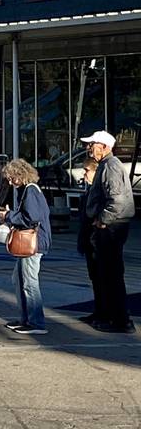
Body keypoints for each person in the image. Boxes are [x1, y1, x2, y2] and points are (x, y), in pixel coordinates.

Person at [81, 130, 135, 333]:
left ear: (104, 147)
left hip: (112, 226)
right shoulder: (106, 165)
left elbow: (118, 200)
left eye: (92, 144)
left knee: (111, 274)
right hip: (109, 225)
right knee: (103, 274)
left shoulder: (111, 166)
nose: (89, 148)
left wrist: (103, 220)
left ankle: (121, 321)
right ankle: (104, 314)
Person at [0, 158, 51, 335]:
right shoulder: (30, 191)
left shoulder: (30, 191)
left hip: (34, 244)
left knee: (29, 282)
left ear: (20, 175)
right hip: (35, 243)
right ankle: (27, 319)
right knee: (21, 279)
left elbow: (31, 218)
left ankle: (35, 322)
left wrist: (8, 216)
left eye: (12, 177)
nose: (10, 181)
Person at [77, 156, 101, 320]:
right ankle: (98, 311)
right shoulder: (90, 190)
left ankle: (103, 313)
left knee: (101, 279)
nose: (84, 174)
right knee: (94, 278)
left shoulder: (98, 191)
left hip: (96, 239)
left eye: (87, 170)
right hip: (88, 239)